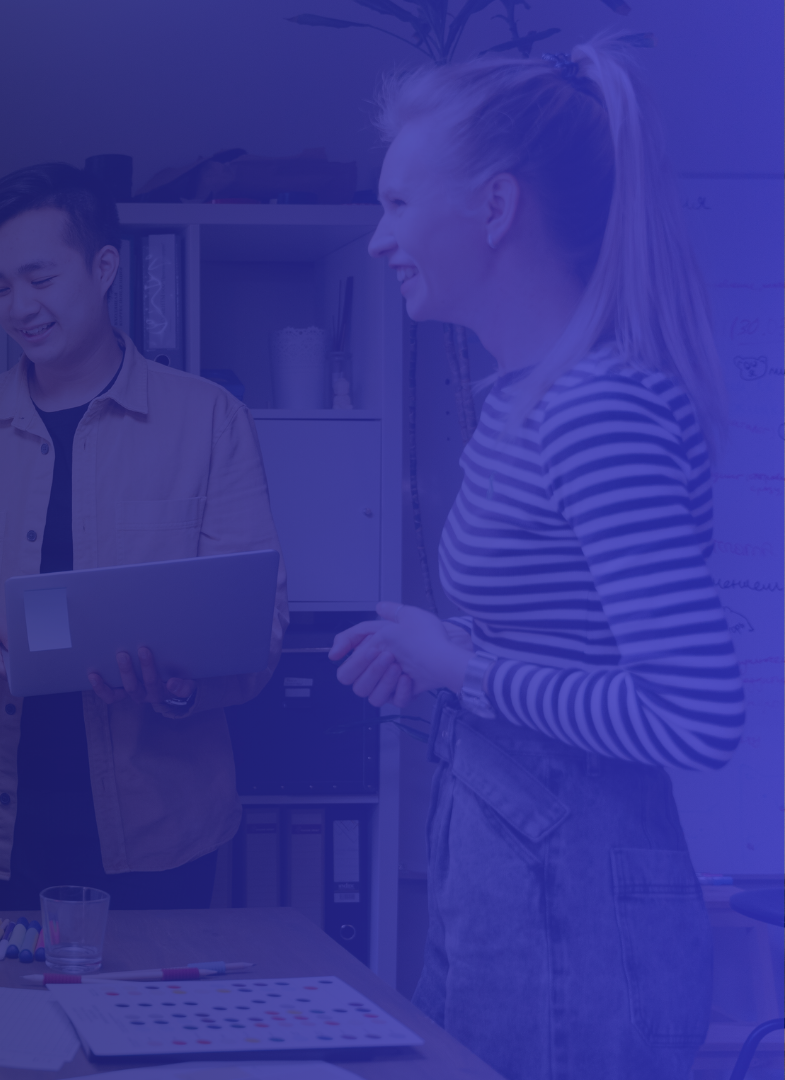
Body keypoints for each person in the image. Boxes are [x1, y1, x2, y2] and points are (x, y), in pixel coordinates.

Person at [329, 36, 745, 1080]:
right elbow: (581, 639)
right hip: (513, 868)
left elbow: (695, 713)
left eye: (395, 204)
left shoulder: (596, 410)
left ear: (496, 208)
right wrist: (444, 652)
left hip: (574, 905)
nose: (380, 240)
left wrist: (460, 667)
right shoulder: (523, 399)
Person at [0, 164, 287, 912]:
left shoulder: (208, 418)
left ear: (104, 268)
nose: (19, 306)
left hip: (160, 828)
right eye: (0, 285)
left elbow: (255, 623)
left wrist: (175, 683)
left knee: (150, 1023)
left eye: (39, 278)